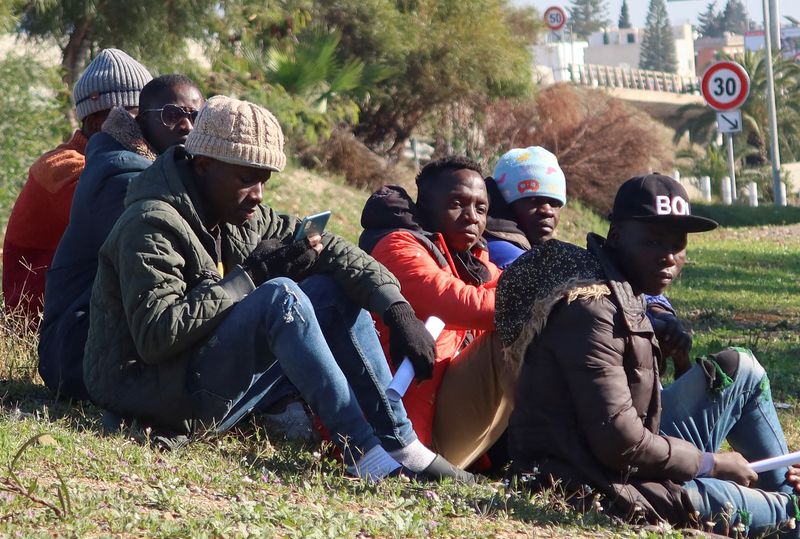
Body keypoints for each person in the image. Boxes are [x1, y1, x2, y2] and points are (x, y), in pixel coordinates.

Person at [83, 95, 472, 483]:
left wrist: (396, 308)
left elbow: (331, 248)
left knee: (328, 291)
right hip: (152, 398)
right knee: (281, 296)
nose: (258, 195)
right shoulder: (151, 222)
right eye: (246, 179)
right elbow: (156, 335)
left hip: (201, 383)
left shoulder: (237, 213)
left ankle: (401, 442)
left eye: (264, 180)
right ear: (203, 165)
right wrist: (250, 277)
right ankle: (363, 452)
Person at [499, 174, 800, 536]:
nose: (669, 258)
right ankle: (786, 508)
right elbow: (621, 442)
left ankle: (787, 487)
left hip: (621, 457)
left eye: (677, 245)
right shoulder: (592, 311)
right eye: (653, 242)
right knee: (791, 511)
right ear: (616, 238)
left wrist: (682, 362)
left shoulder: (625, 289)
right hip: (595, 480)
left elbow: (641, 402)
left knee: (742, 369)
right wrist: (712, 463)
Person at [38, 74, 204, 400]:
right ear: (138, 117)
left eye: (195, 117)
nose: (186, 126)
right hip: (77, 352)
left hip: (86, 338)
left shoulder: (139, 167)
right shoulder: (121, 181)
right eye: (173, 114)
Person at [360, 156, 514, 469]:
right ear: (426, 207)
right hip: (399, 432)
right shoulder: (398, 246)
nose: (471, 217)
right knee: (515, 332)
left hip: (446, 422)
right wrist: (543, 298)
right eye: (457, 204)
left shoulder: (475, 264)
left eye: (481, 209)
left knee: (534, 326)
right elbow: (459, 303)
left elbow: (508, 295)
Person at [487, 147, 692, 375]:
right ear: (505, 203)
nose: (546, 210)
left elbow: (613, 276)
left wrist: (659, 309)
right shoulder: (498, 249)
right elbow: (587, 284)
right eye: (533, 199)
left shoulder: (537, 247)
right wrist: (645, 321)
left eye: (554, 202)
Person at [2, 48, 152, 320]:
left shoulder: (96, 164)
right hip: (44, 327)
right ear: (97, 121)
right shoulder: (64, 168)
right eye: (136, 116)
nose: (146, 127)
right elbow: (140, 215)